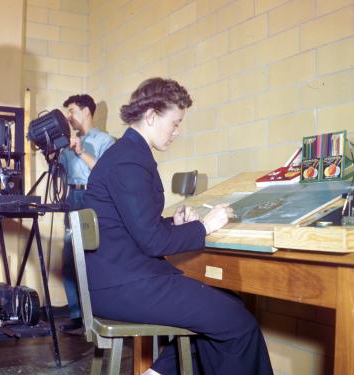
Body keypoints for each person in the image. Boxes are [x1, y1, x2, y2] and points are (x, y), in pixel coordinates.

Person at [84, 78, 272, 375]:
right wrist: (205, 227)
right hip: (125, 285)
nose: (177, 132)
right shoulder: (130, 161)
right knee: (238, 324)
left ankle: (156, 373)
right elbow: (153, 242)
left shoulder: (125, 155)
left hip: (120, 278)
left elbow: (135, 225)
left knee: (228, 303)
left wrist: (176, 223)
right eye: (174, 123)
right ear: (151, 116)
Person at [58, 94, 114, 332]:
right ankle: (76, 315)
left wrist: (82, 152)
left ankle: (100, 313)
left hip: (92, 197)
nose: (69, 117)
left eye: (72, 111)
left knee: (93, 257)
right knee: (69, 259)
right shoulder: (69, 142)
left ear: (87, 111)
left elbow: (105, 172)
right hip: (72, 197)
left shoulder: (105, 140)